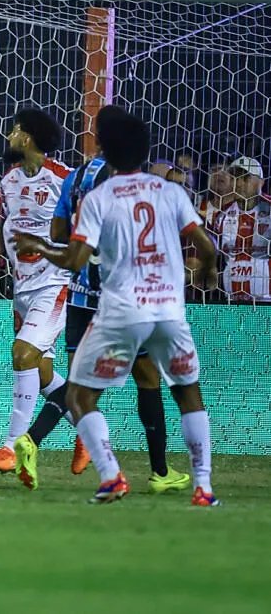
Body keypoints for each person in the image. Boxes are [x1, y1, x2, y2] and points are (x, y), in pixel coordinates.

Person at [13, 110, 221, 506]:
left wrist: (37, 246)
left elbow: (75, 260)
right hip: (168, 311)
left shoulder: (99, 195)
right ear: (144, 151)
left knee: (78, 397)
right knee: (187, 393)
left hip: (119, 309)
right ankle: (204, 487)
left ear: (104, 148)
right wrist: (208, 273)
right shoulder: (170, 191)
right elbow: (207, 248)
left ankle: (111, 476)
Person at [0, 109, 72, 474]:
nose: (10, 134)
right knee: (43, 375)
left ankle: (10, 447)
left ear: (28, 138)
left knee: (22, 353)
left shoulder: (64, 178)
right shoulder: (10, 180)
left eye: (15, 129)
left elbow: (85, 225)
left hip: (55, 283)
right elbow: (9, 225)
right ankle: (93, 435)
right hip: (23, 285)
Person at [210, 156, 271, 301]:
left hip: (267, 301)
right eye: (234, 177)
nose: (239, 183)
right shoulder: (221, 216)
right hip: (232, 300)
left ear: (261, 182)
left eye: (245, 178)